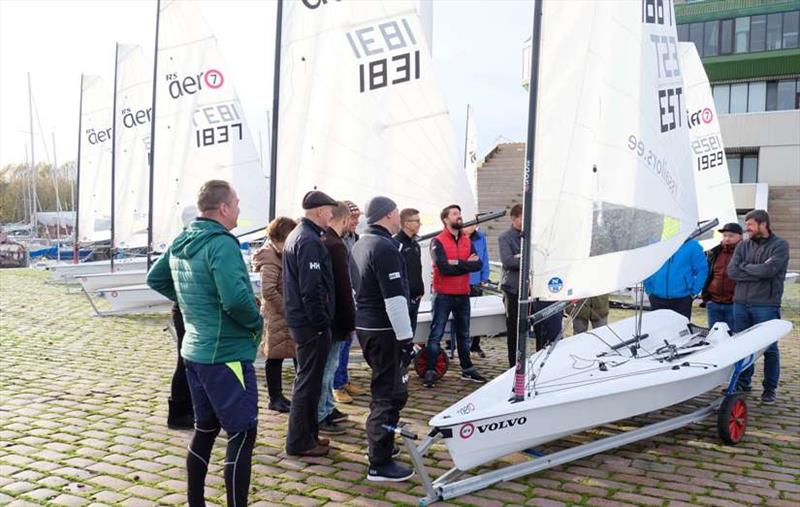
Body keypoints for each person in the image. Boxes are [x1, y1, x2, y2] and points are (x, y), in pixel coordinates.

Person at [147, 180, 263, 506]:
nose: (239, 209)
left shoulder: (184, 237)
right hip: (225, 354)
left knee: (206, 429)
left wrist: (191, 303)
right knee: (242, 434)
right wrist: (257, 322)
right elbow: (236, 300)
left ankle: (195, 502)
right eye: (237, 202)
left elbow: (155, 277)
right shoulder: (222, 243)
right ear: (224, 208)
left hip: (195, 352)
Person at [351, 196, 415, 482]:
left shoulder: (360, 243)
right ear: (390, 214)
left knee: (383, 387)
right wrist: (407, 341)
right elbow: (395, 300)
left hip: (366, 327)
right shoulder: (384, 246)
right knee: (390, 393)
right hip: (384, 330)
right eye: (397, 212)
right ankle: (379, 461)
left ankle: (380, 444)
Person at [283, 190, 338, 457]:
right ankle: (300, 441)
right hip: (310, 325)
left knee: (309, 383)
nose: (331, 215)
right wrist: (321, 322)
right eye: (329, 211)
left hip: (303, 322)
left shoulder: (302, 236)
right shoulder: (308, 241)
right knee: (308, 384)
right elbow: (311, 289)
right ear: (318, 212)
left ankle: (308, 435)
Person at [727, 209, 789, 404]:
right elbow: (732, 271)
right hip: (740, 304)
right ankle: (743, 383)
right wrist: (755, 270)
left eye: (751, 225)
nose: (748, 229)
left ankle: (769, 389)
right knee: (742, 346)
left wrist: (745, 267)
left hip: (766, 304)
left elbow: (769, 270)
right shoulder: (743, 246)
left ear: (763, 224)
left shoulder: (780, 246)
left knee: (769, 348)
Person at [423, 204, 487, 388]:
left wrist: (458, 262)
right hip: (443, 295)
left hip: (463, 294)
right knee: (436, 333)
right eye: (455, 214)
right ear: (445, 219)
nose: (459, 217)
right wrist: (466, 264)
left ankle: (467, 368)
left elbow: (478, 265)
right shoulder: (438, 241)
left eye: (460, 213)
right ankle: (431, 370)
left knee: (464, 334)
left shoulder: (467, 240)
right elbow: (443, 268)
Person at [253, 216, 298, 414]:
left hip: (287, 312)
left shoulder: (281, 254)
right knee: (275, 357)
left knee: (296, 353)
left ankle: (296, 394)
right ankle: (275, 397)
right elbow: (268, 291)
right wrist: (287, 311)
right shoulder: (270, 258)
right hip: (277, 314)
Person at [318, 202, 356, 434]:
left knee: (328, 368)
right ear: (343, 220)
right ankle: (322, 413)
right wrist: (349, 319)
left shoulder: (324, 241)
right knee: (328, 369)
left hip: (329, 316)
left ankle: (327, 407)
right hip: (334, 317)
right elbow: (342, 286)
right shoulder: (335, 245)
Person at [166, 206, 200, 430]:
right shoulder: (185, 242)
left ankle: (187, 409)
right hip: (187, 308)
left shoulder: (179, 242)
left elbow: (158, 278)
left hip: (183, 307)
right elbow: (157, 277)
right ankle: (179, 412)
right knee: (186, 361)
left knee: (188, 360)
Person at [332, 200, 366, 404]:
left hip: (352, 296)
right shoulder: (337, 240)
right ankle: (337, 385)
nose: (356, 222)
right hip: (341, 298)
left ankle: (343, 380)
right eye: (354, 218)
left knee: (347, 343)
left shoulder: (355, 237)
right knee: (340, 345)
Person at [643, 238, 708, 320]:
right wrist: (649, 289)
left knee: (679, 331)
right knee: (658, 330)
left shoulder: (693, 246)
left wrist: (694, 292)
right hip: (657, 298)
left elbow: (702, 270)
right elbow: (647, 267)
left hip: (682, 299)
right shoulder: (656, 245)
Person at [498, 204, 526, 367]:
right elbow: (508, 261)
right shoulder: (505, 237)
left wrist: (520, 258)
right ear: (514, 219)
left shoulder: (531, 236)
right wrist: (527, 259)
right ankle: (513, 364)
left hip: (531, 288)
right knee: (514, 328)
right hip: (513, 289)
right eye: (523, 218)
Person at [701, 222, 742, 329]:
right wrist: (707, 298)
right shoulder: (714, 252)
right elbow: (708, 274)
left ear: (740, 236)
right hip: (713, 303)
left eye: (731, 236)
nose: (727, 238)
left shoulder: (744, 252)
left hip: (734, 304)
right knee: (714, 337)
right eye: (725, 235)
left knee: (733, 337)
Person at [394, 208, 425, 334]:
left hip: (416, 298)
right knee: (403, 336)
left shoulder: (415, 243)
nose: (419, 224)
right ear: (406, 223)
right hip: (404, 299)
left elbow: (417, 268)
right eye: (417, 221)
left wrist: (420, 289)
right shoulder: (396, 244)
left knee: (411, 334)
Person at [465, 222, 490, 357]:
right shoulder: (458, 238)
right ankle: (453, 343)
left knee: (476, 314)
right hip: (461, 282)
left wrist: (485, 276)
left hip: (476, 282)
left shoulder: (480, 237)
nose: (473, 226)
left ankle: (475, 345)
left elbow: (485, 258)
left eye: (475, 224)